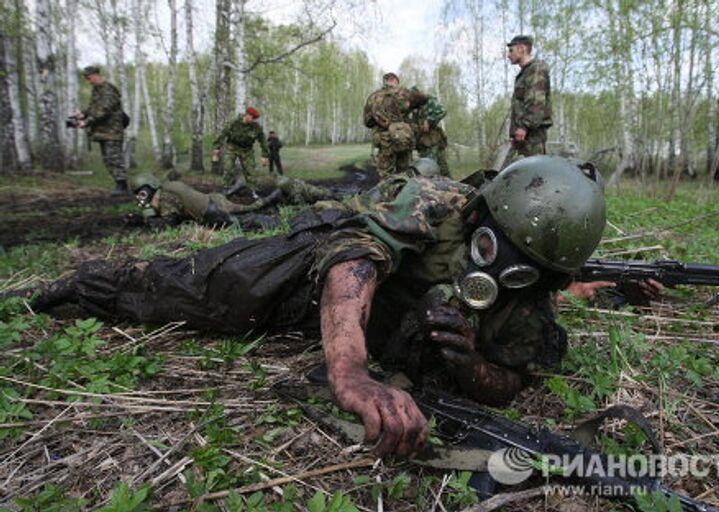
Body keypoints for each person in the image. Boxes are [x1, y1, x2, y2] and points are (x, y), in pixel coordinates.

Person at [16, 156, 608, 457]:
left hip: (381, 323)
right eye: (486, 250)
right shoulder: (437, 200)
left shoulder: (532, 301)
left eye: (522, 273)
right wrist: (349, 372)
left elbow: (511, 378)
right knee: (198, 287)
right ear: (478, 215)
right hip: (320, 274)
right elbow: (355, 252)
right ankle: (85, 285)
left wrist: (468, 364)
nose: (495, 276)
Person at [128, 173, 333, 229]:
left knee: (247, 217)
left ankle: (274, 207)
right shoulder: (168, 188)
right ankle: (272, 200)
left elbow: (169, 222)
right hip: (212, 200)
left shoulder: (165, 196)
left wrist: (146, 220)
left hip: (213, 210)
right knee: (246, 209)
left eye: (143, 193)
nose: (142, 198)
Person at [75, 65, 129, 196]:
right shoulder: (97, 90)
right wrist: (83, 114)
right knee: (108, 159)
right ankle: (120, 185)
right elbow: (94, 108)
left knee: (114, 158)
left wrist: (86, 122)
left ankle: (122, 186)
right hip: (103, 132)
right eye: (86, 79)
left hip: (112, 131)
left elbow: (104, 111)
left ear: (95, 75)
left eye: (89, 78)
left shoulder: (108, 90)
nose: (88, 81)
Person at [503, 35, 552, 166]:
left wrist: (524, 126)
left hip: (531, 135)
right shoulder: (525, 72)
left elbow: (536, 102)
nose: (508, 55)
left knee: (535, 174)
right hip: (523, 135)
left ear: (522, 49)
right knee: (513, 173)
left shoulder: (535, 69)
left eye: (511, 50)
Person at [363, 73, 423, 179]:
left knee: (386, 176)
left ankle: (388, 194)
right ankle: (402, 194)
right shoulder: (404, 93)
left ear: (385, 81)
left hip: (384, 140)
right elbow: (423, 99)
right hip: (403, 138)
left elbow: (367, 121)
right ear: (396, 81)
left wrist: (381, 121)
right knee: (404, 174)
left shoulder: (373, 97)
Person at [212, 107, 269, 194]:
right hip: (232, 148)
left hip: (247, 150)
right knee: (228, 168)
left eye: (255, 118)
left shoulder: (255, 127)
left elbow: (263, 140)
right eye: (252, 117)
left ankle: (253, 191)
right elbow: (222, 134)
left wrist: (264, 155)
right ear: (247, 115)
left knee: (250, 171)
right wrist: (216, 147)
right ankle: (226, 189)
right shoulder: (234, 123)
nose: (253, 120)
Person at [410, 91, 450, 177]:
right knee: (441, 167)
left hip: (432, 140)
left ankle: (449, 187)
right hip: (422, 143)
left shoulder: (429, 101)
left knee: (430, 168)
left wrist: (429, 120)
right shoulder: (413, 107)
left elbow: (442, 111)